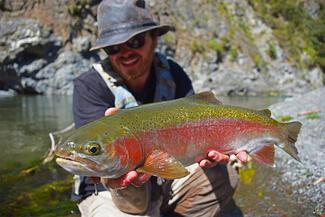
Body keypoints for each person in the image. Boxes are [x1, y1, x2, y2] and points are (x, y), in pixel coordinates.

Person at [72, 0, 248, 216]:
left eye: (135, 41)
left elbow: (198, 121)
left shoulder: (173, 73)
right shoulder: (89, 85)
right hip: (111, 189)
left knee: (225, 175)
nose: (125, 52)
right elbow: (99, 159)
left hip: (163, 179)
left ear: (154, 38)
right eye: (113, 47)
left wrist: (226, 138)